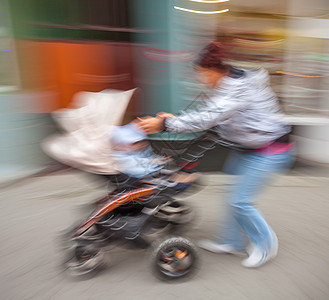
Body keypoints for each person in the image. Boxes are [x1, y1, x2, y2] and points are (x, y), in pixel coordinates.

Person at [137, 42, 295, 268]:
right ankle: (232, 242)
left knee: (241, 201)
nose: (201, 79)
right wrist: (173, 119)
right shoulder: (227, 86)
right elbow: (213, 118)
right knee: (234, 195)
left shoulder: (236, 89)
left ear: (213, 71)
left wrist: (164, 123)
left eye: (202, 74)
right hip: (248, 148)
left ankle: (265, 244)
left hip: (271, 150)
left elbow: (208, 118)